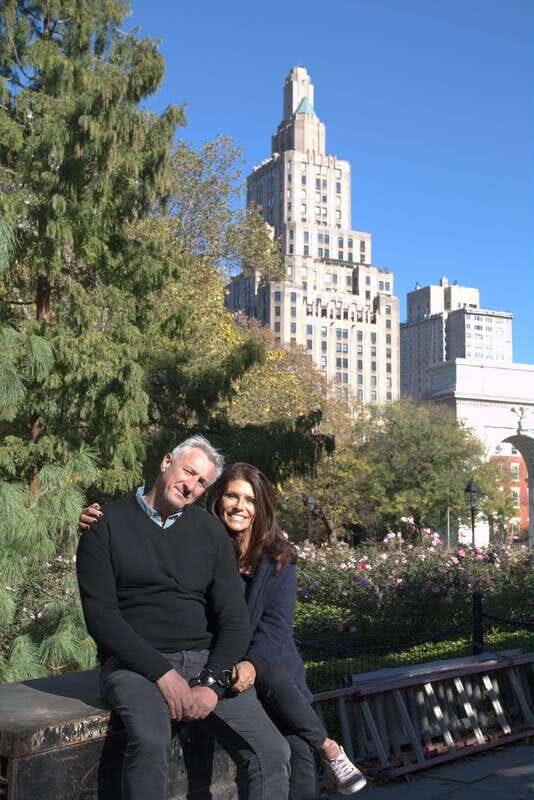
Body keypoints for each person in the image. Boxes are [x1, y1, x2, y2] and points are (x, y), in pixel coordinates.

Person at [81, 457, 367, 797]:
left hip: (256, 664)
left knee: (292, 751)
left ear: (261, 508)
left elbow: (274, 628)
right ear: (216, 499)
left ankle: (326, 746)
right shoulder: (201, 535)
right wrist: (101, 519)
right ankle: (324, 744)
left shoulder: (277, 557)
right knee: (157, 742)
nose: (239, 506)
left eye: (249, 500)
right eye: (232, 496)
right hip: (214, 659)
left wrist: (240, 668)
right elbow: (148, 534)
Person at [76, 436, 291, 800]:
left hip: (203, 660)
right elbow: (101, 616)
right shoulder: (105, 523)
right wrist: (162, 673)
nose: (191, 485)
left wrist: (213, 682)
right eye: (188, 471)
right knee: (150, 742)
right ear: (165, 463)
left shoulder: (209, 532)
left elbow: (234, 617)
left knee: (272, 752)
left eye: (202, 482)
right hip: (133, 664)